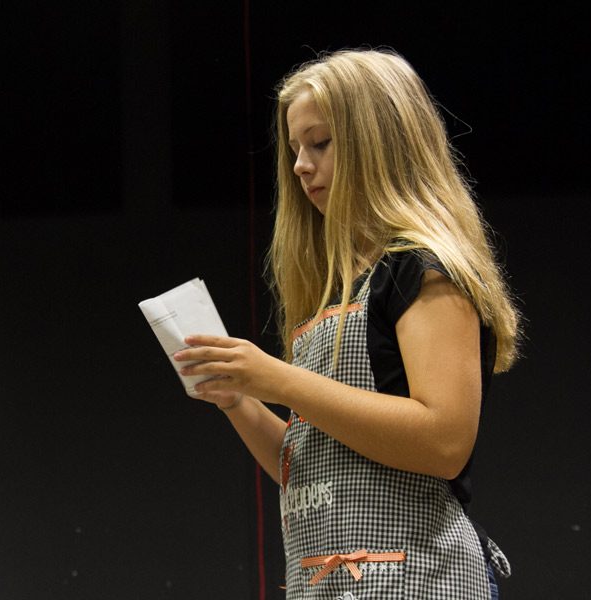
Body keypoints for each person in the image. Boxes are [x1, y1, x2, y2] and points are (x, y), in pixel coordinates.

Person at [173, 49, 518, 598]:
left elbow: (446, 439)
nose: (300, 166)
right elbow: (312, 470)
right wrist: (238, 397)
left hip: (418, 579)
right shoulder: (332, 292)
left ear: (380, 140)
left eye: (321, 142)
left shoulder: (422, 269)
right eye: (294, 149)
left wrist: (277, 380)